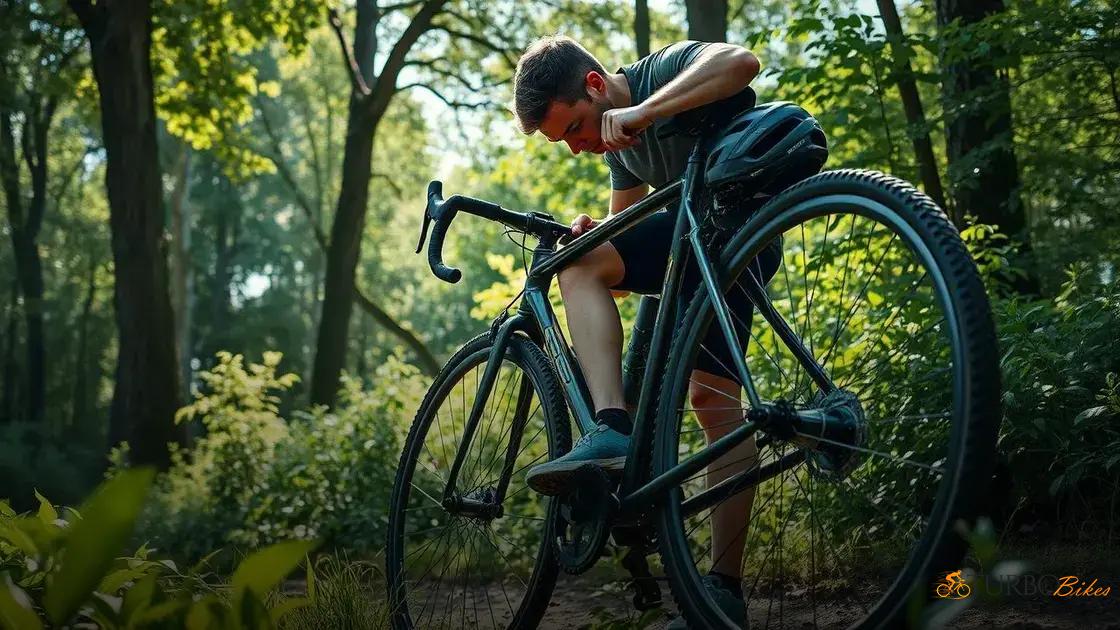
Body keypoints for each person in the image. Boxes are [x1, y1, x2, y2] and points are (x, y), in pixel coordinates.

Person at [511, 35, 789, 627]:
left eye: (577, 129)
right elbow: (618, 253)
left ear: (594, 86)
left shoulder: (658, 72)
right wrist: (597, 236)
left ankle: (720, 586)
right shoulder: (620, 150)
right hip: (684, 248)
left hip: (736, 230)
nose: (578, 147)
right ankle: (614, 435)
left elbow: (742, 63)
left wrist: (643, 110)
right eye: (565, 142)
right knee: (586, 266)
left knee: (716, 408)